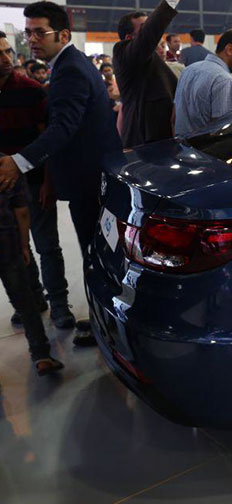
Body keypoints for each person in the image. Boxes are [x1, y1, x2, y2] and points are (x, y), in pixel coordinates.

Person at [0, 1, 123, 346]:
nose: (32, 40)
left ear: (64, 34)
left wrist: (19, 161)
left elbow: (62, 128)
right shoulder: (69, 64)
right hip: (91, 175)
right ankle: (104, 322)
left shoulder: (69, 70)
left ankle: (107, 328)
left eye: (40, 32)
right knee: (97, 253)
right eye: (28, 33)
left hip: (89, 179)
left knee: (96, 255)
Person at [0, 29, 75, 329]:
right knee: (17, 250)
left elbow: (49, 140)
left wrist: (48, 182)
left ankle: (59, 304)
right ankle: (33, 299)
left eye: (7, 51)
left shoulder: (31, 90)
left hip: (34, 182)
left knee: (47, 246)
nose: (6, 58)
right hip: (3, 189)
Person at [1, 178, 64, 374]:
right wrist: (23, 245)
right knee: (25, 302)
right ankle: (41, 356)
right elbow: (22, 211)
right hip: (6, 243)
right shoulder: (6, 170)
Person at [113, 0, 179, 148]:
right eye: (144, 28)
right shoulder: (122, 52)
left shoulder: (150, 58)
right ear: (129, 38)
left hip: (159, 135)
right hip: (143, 137)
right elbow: (149, 33)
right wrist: (170, 2)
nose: (150, 30)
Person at [174, 28, 232, 135]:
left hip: (180, 144)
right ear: (229, 49)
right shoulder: (223, 79)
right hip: (203, 145)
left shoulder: (188, 70)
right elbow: (221, 131)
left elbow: (174, 117)